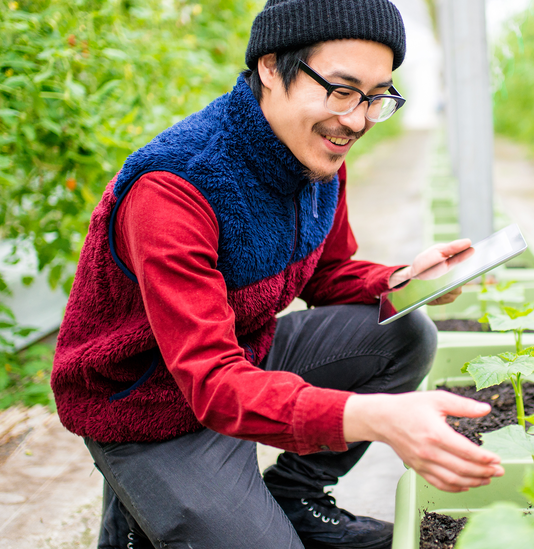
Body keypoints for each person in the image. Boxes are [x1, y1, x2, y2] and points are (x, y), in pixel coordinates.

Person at [49, 1, 504, 547]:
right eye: (341, 90)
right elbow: (212, 382)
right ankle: (139, 505)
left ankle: (294, 497)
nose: (357, 119)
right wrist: (373, 417)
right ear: (270, 67)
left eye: (376, 96)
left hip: (242, 356)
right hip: (151, 404)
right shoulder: (175, 187)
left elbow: (328, 274)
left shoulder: (315, 153)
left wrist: (403, 279)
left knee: (403, 333)